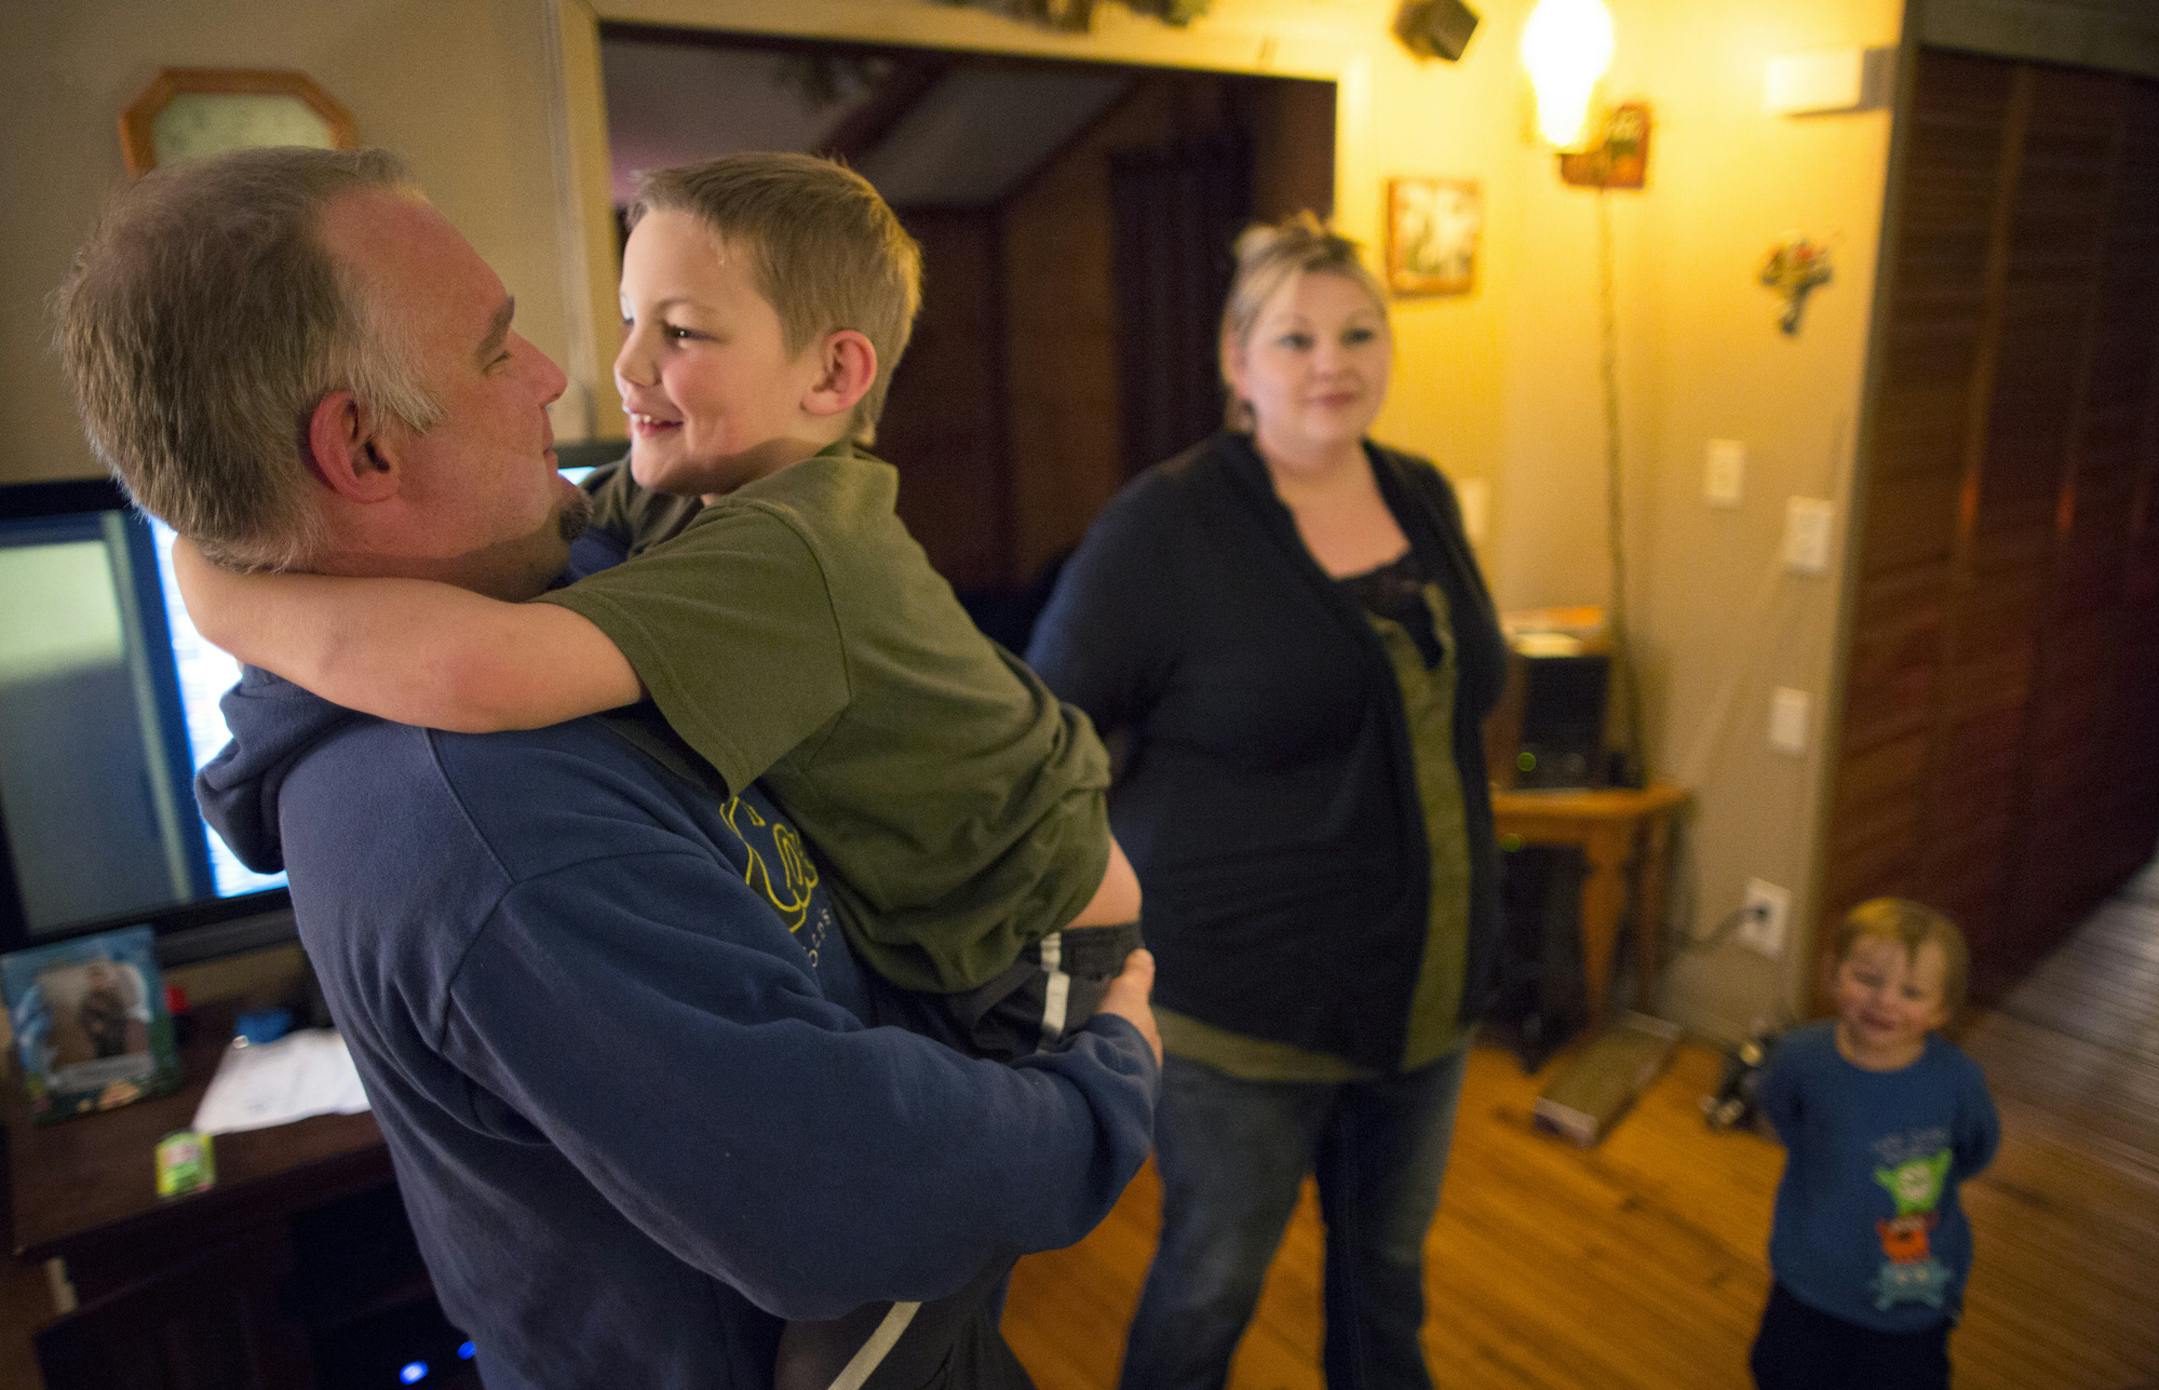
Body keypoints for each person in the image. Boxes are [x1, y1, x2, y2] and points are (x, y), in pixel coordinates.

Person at [53, 145, 1161, 1390]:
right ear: (361, 451)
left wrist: (220, 574)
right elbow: (861, 1200)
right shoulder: (496, 841)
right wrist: (1113, 1081)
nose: (565, 375)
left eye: (675, 329)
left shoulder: (595, 556)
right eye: (494, 350)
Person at [173, 151, 1143, 1064]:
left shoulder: (796, 549)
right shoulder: (681, 485)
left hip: (1032, 932)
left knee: (972, 1185)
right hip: (942, 905)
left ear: (832, 374)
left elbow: (486, 668)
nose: (626, 365)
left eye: (681, 332)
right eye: (631, 317)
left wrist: (218, 590)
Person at [1025, 214, 1508, 1390]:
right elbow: (1043, 734)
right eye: (1294, 338)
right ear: (1237, 362)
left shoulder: (1423, 492)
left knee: (1387, 1280)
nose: (1332, 361)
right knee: (1210, 1284)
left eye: (1358, 332)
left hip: (1427, 995)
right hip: (1241, 1010)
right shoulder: (1167, 526)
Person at [1749, 898, 2000, 1390]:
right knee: (1783, 1371)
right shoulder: (1801, 1057)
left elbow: (1975, 1148)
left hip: (1913, 1287)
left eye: (1911, 991)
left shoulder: (1957, 1082)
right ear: (1833, 974)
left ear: (1942, 1008)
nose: (1884, 1001)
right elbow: (1781, 1112)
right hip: (1809, 1278)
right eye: (1867, 979)